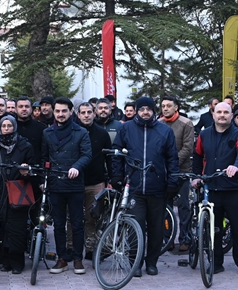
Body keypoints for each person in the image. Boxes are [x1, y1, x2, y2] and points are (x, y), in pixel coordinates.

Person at [111, 97, 179, 276]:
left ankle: (152, 262)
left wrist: (173, 182)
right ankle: (136, 263)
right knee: (136, 227)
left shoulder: (165, 131)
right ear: (137, 110)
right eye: (142, 109)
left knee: (156, 228)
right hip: (134, 187)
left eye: (148, 109)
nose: (145, 112)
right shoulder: (126, 128)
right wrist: (117, 175)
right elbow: (117, 153)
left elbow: (172, 158)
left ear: (153, 111)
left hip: (157, 187)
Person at [193, 101, 238, 276]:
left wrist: (236, 167)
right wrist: (197, 177)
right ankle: (216, 262)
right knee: (213, 229)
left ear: (231, 116)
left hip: (234, 188)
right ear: (213, 114)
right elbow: (197, 156)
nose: (222, 115)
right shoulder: (204, 135)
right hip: (212, 188)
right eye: (219, 112)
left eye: (226, 112)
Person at [43, 97, 92, 275]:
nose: (61, 114)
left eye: (64, 111)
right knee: (58, 224)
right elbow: (45, 159)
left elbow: (87, 155)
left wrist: (76, 167)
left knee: (77, 223)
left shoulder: (81, 132)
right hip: (56, 184)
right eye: (58, 111)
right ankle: (62, 258)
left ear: (71, 112)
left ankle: (78, 259)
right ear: (54, 112)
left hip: (75, 184)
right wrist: (44, 180)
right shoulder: (47, 132)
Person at [0, 115, 36, 273]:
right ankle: (4, 259)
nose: (6, 129)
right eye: (3, 126)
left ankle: (18, 262)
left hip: (18, 189)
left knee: (17, 227)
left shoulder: (25, 146)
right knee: (2, 225)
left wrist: (26, 171)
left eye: (9, 126)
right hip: (0, 190)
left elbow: (33, 169)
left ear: (14, 127)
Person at [160, 95, 195, 253]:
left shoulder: (186, 123)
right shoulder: (158, 124)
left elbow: (188, 148)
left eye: (168, 105)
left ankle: (184, 237)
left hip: (182, 171)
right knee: (164, 207)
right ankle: (168, 238)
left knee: (183, 207)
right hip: (164, 173)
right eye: (163, 106)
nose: (165, 108)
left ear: (176, 107)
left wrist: (172, 165)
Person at [76, 102, 110, 263]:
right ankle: (71, 248)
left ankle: (91, 248)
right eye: (83, 112)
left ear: (94, 113)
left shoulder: (102, 134)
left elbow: (109, 158)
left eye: (89, 112)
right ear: (78, 114)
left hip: (96, 182)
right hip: (74, 181)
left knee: (93, 217)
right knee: (72, 217)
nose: (86, 115)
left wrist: (110, 179)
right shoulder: (73, 132)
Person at [13, 97, 45, 165]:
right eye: (21, 106)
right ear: (15, 109)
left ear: (31, 109)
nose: (24, 109)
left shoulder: (41, 128)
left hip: (35, 169)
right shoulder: (10, 127)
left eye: (27, 106)